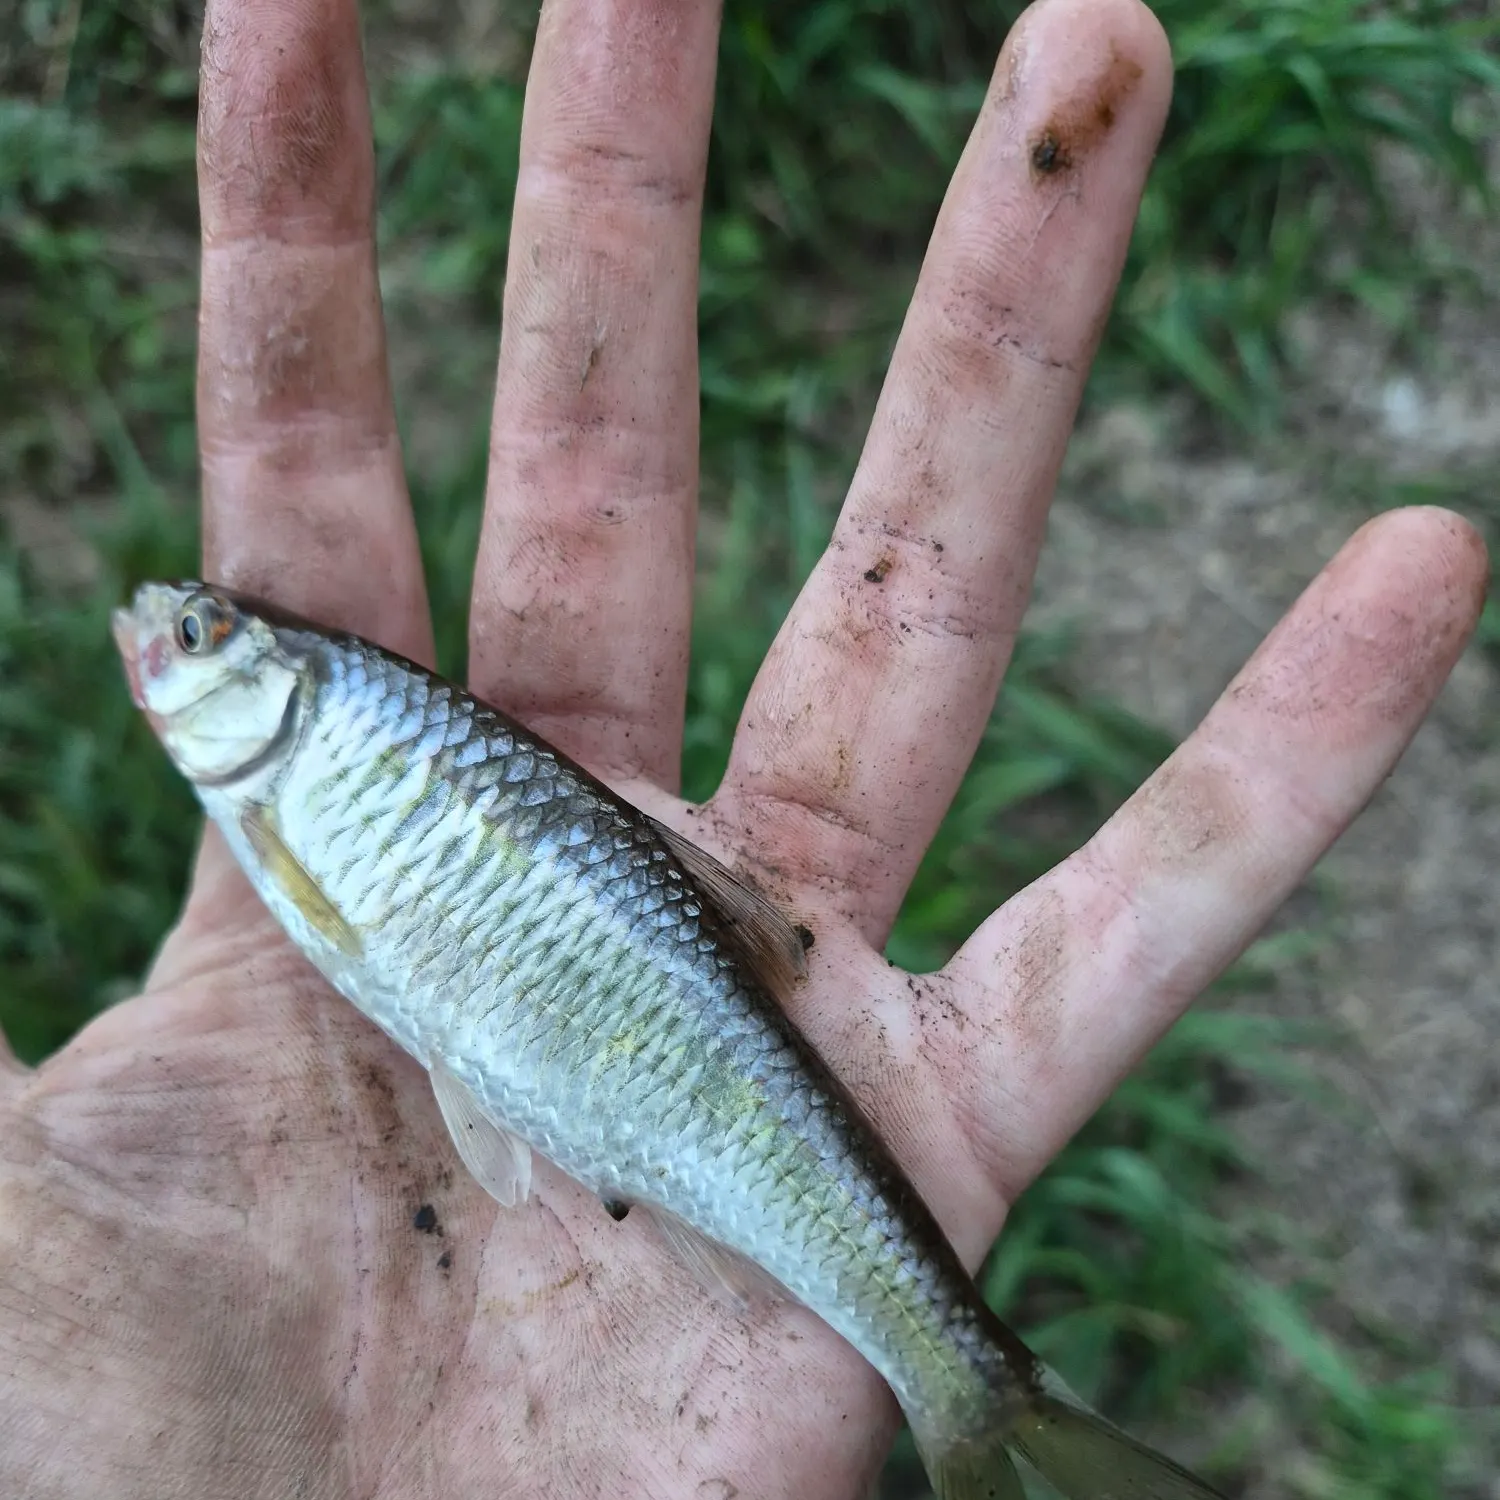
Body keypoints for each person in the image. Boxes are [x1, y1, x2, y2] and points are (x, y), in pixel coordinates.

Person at [0, 0, 1486, 1494]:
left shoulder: (305, 768)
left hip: (643, 1020)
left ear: (274, 689)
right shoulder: (293, 785)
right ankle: (972, 1388)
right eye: (194, 633)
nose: (165, 636)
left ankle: (970, 1392)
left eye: (201, 636)